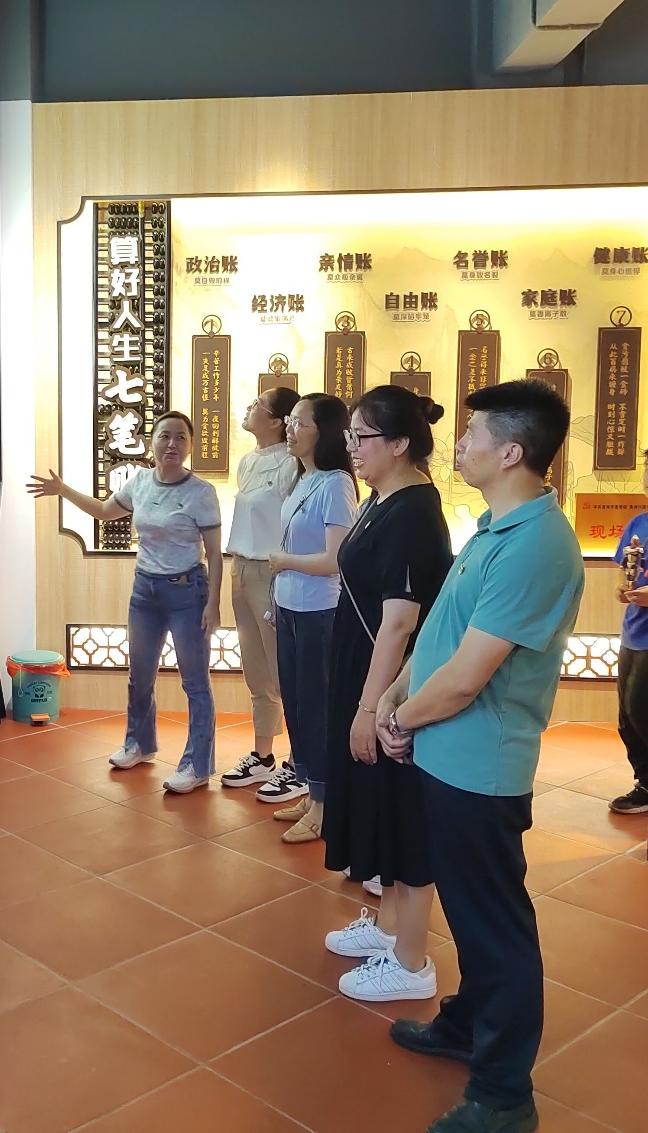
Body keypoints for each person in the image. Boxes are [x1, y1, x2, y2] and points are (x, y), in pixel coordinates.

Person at [379, 379, 584, 1133]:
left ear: (512, 452)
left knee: (496, 927)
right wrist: (398, 693)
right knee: (470, 913)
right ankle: (467, 1024)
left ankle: (503, 1096)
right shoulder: (494, 527)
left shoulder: (536, 544)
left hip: (480, 768)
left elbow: (468, 677)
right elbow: (441, 633)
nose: (458, 445)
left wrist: (399, 716)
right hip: (446, 755)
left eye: (472, 435)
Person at [320, 386, 452, 1003]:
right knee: (378, 803)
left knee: (403, 811)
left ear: (399, 443)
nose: (352, 447)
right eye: (349, 436)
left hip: (389, 682)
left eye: (363, 436)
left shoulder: (414, 511)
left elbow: (399, 623)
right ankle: (390, 927)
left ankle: (411, 961)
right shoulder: (382, 500)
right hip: (363, 669)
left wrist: (370, 708)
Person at [28, 412, 222, 793]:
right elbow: (104, 511)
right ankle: (139, 743)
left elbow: (214, 553)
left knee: (195, 683)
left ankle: (197, 765)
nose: (172, 444)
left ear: (190, 445)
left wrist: (213, 603)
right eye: (164, 436)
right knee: (139, 675)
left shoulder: (201, 492)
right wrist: (63, 490)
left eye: (180, 437)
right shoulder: (140, 482)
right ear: (152, 442)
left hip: (187, 592)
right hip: (145, 591)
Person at [263, 393, 358, 842]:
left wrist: (285, 562)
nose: (290, 428)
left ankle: (324, 803)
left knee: (318, 709)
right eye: (290, 420)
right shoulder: (303, 479)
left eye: (300, 422)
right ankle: (310, 788)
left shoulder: (337, 484)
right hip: (289, 607)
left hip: (319, 610)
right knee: (297, 704)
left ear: (325, 432)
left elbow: (336, 560)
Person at [220, 386, 307, 800]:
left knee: (283, 670)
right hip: (241, 568)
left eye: (258, 404)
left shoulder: (291, 465)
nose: (249, 407)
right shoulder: (248, 461)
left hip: (272, 572)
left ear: (276, 421)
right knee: (256, 670)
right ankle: (263, 755)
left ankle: (300, 762)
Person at [610, 443, 648, 814]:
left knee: (640, 708)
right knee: (626, 717)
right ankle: (645, 782)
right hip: (632, 631)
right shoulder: (637, 523)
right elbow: (624, 572)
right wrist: (622, 590)